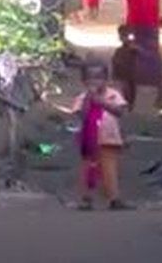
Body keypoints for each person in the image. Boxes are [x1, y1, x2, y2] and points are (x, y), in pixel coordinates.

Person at [52, 61, 131, 211]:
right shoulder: (82, 98)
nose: (95, 81)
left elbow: (120, 112)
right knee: (87, 170)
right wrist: (90, 99)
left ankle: (114, 198)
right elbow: (82, 115)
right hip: (89, 141)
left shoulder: (113, 95)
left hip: (109, 140)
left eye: (99, 78)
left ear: (106, 80)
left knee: (109, 170)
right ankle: (86, 199)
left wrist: (101, 102)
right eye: (90, 78)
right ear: (84, 81)